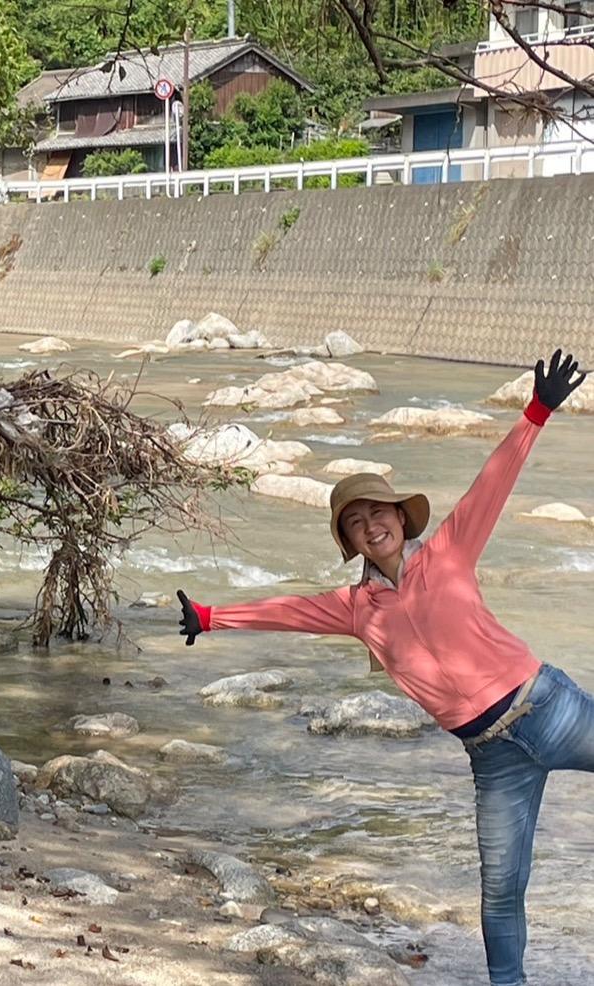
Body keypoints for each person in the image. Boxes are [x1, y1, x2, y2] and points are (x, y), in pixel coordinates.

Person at [175, 350, 588, 986]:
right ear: (352, 541)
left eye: (379, 513)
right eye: (356, 522)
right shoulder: (355, 609)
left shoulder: (449, 552)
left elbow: (491, 485)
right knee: (501, 890)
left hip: (548, 708)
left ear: (401, 518)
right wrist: (210, 616)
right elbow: (284, 610)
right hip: (492, 756)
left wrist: (536, 411)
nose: (372, 526)